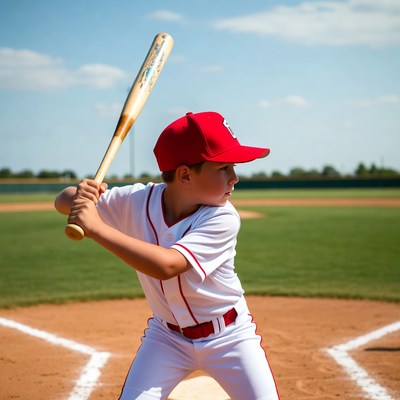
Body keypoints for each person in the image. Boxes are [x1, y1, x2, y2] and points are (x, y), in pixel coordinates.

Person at [55, 111, 280, 400]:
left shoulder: (222, 218)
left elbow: (167, 265)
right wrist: (79, 194)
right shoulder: (137, 200)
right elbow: (63, 201)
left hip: (230, 337)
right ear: (185, 174)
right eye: (224, 168)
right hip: (167, 338)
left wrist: (96, 228)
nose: (234, 178)